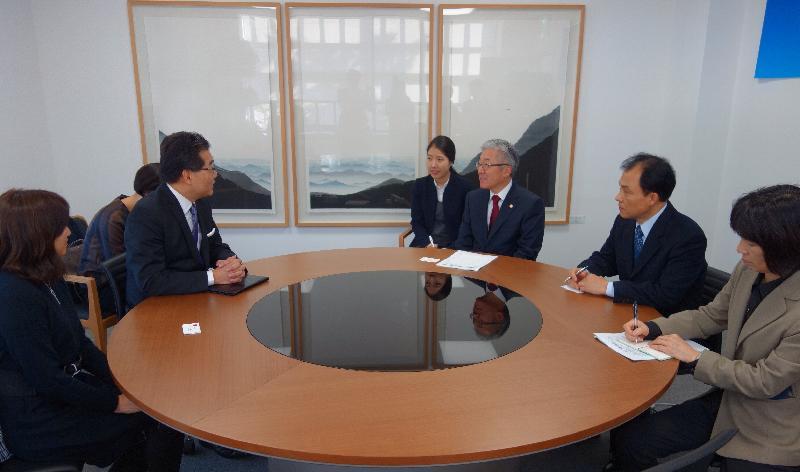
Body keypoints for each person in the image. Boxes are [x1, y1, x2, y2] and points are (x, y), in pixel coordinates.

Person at [610, 184, 800, 471]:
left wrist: (696, 357)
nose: (739, 249)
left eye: (751, 242)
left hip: (772, 422)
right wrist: (653, 327)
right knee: (632, 439)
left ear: (784, 244)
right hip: (729, 398)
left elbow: (764, 381)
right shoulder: (749, 270)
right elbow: (711, 315)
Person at [0, 189, 183, 470]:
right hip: (38, 419)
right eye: (59, 226)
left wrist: (120, 381)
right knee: (159, 420)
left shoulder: (47, 275)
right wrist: (114, 402)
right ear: (36, 236)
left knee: (159, 409)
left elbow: (80, 344)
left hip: (63, 393)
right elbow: (46, 379)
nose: (67, 232)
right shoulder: (14, 295)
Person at [566, 153, 707, 316]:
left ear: (652, 197)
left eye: (626, 192)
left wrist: (607, 287)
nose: (618, 197)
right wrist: (584, 271)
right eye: (620, 188)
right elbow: (607, 258)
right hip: (628, 315)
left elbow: (666, 294)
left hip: (666, 326)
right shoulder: (624, 221)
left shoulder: (687, 236)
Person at [125, 131, 246, 308]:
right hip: (155, 309)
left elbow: (214, 246)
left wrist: (229, 263)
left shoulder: (201, 203)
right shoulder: (147, 214)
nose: (215, 174)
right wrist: (213, 277)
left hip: (194, 298)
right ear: (187, 176)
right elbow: (151, 280)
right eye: (210, 168)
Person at [77, 163, 160, 312]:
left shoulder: (137, 210)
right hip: (101, 288)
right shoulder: (113, 218)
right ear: (149, 193)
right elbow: (119, 266)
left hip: (124, 278)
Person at [453, 138, 545, 260]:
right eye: (479, 164)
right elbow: (463, 242)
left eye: (487, 165)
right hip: (473, 276)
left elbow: (526, 254)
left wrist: (494, 275)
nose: (480, 170)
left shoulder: (530, 204)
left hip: (509, 277)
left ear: (506, 171)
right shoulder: (473, 198)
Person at [409, 136, 472, 248]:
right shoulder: (419, 186)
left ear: (451, 161)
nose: (433, 165)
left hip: (454, 248)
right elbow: (417, 222)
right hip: (425, 246)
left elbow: (466, 227)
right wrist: (427, 244)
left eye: (439, 159)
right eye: (429, 158)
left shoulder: (465, 188)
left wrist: (449, 249)